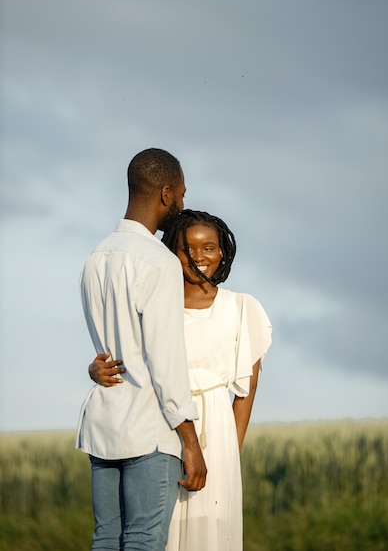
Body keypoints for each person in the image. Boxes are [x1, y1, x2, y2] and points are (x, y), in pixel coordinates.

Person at [89, 209, 272, 551]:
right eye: (186, 248)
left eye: (209, 248)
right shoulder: (157, 302)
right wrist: (93, 370)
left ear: (223, 252)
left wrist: (228, 454)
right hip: (161, 427)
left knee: (213, 533)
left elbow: (247, 391)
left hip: (217, 434)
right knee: (161, 531)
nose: (198, 257)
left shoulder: (242, 307)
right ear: (170, 251)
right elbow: (127, 359)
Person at [76, 150, 207, 551]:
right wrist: (190, 438)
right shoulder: (158, 261)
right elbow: (163, 359)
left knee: (106, 540)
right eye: (181, 195)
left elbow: (109, 343)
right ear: (166, 194)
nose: (182, 204)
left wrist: (92, 369)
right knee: (144, 541)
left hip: (103, 426)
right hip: (150, 430)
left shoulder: (94, 257)